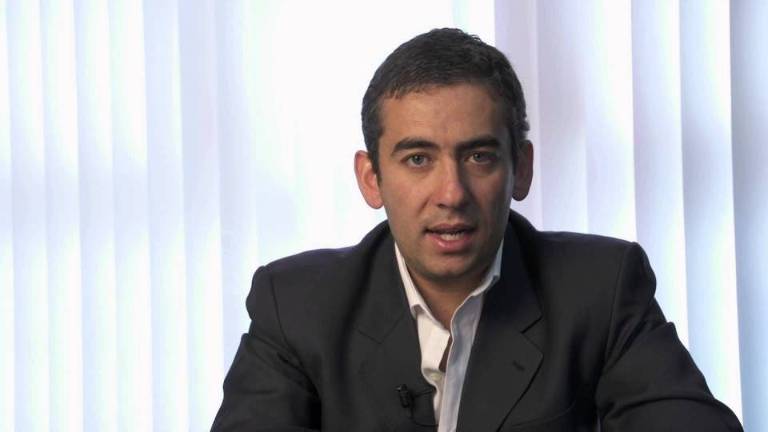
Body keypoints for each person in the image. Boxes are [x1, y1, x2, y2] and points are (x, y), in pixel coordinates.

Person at [212, 28, 743, 431]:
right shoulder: (295, 305)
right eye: (418, 159)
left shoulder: (602, 290)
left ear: (521, 169)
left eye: (479, 156)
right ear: (371, 179)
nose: (452, 193)